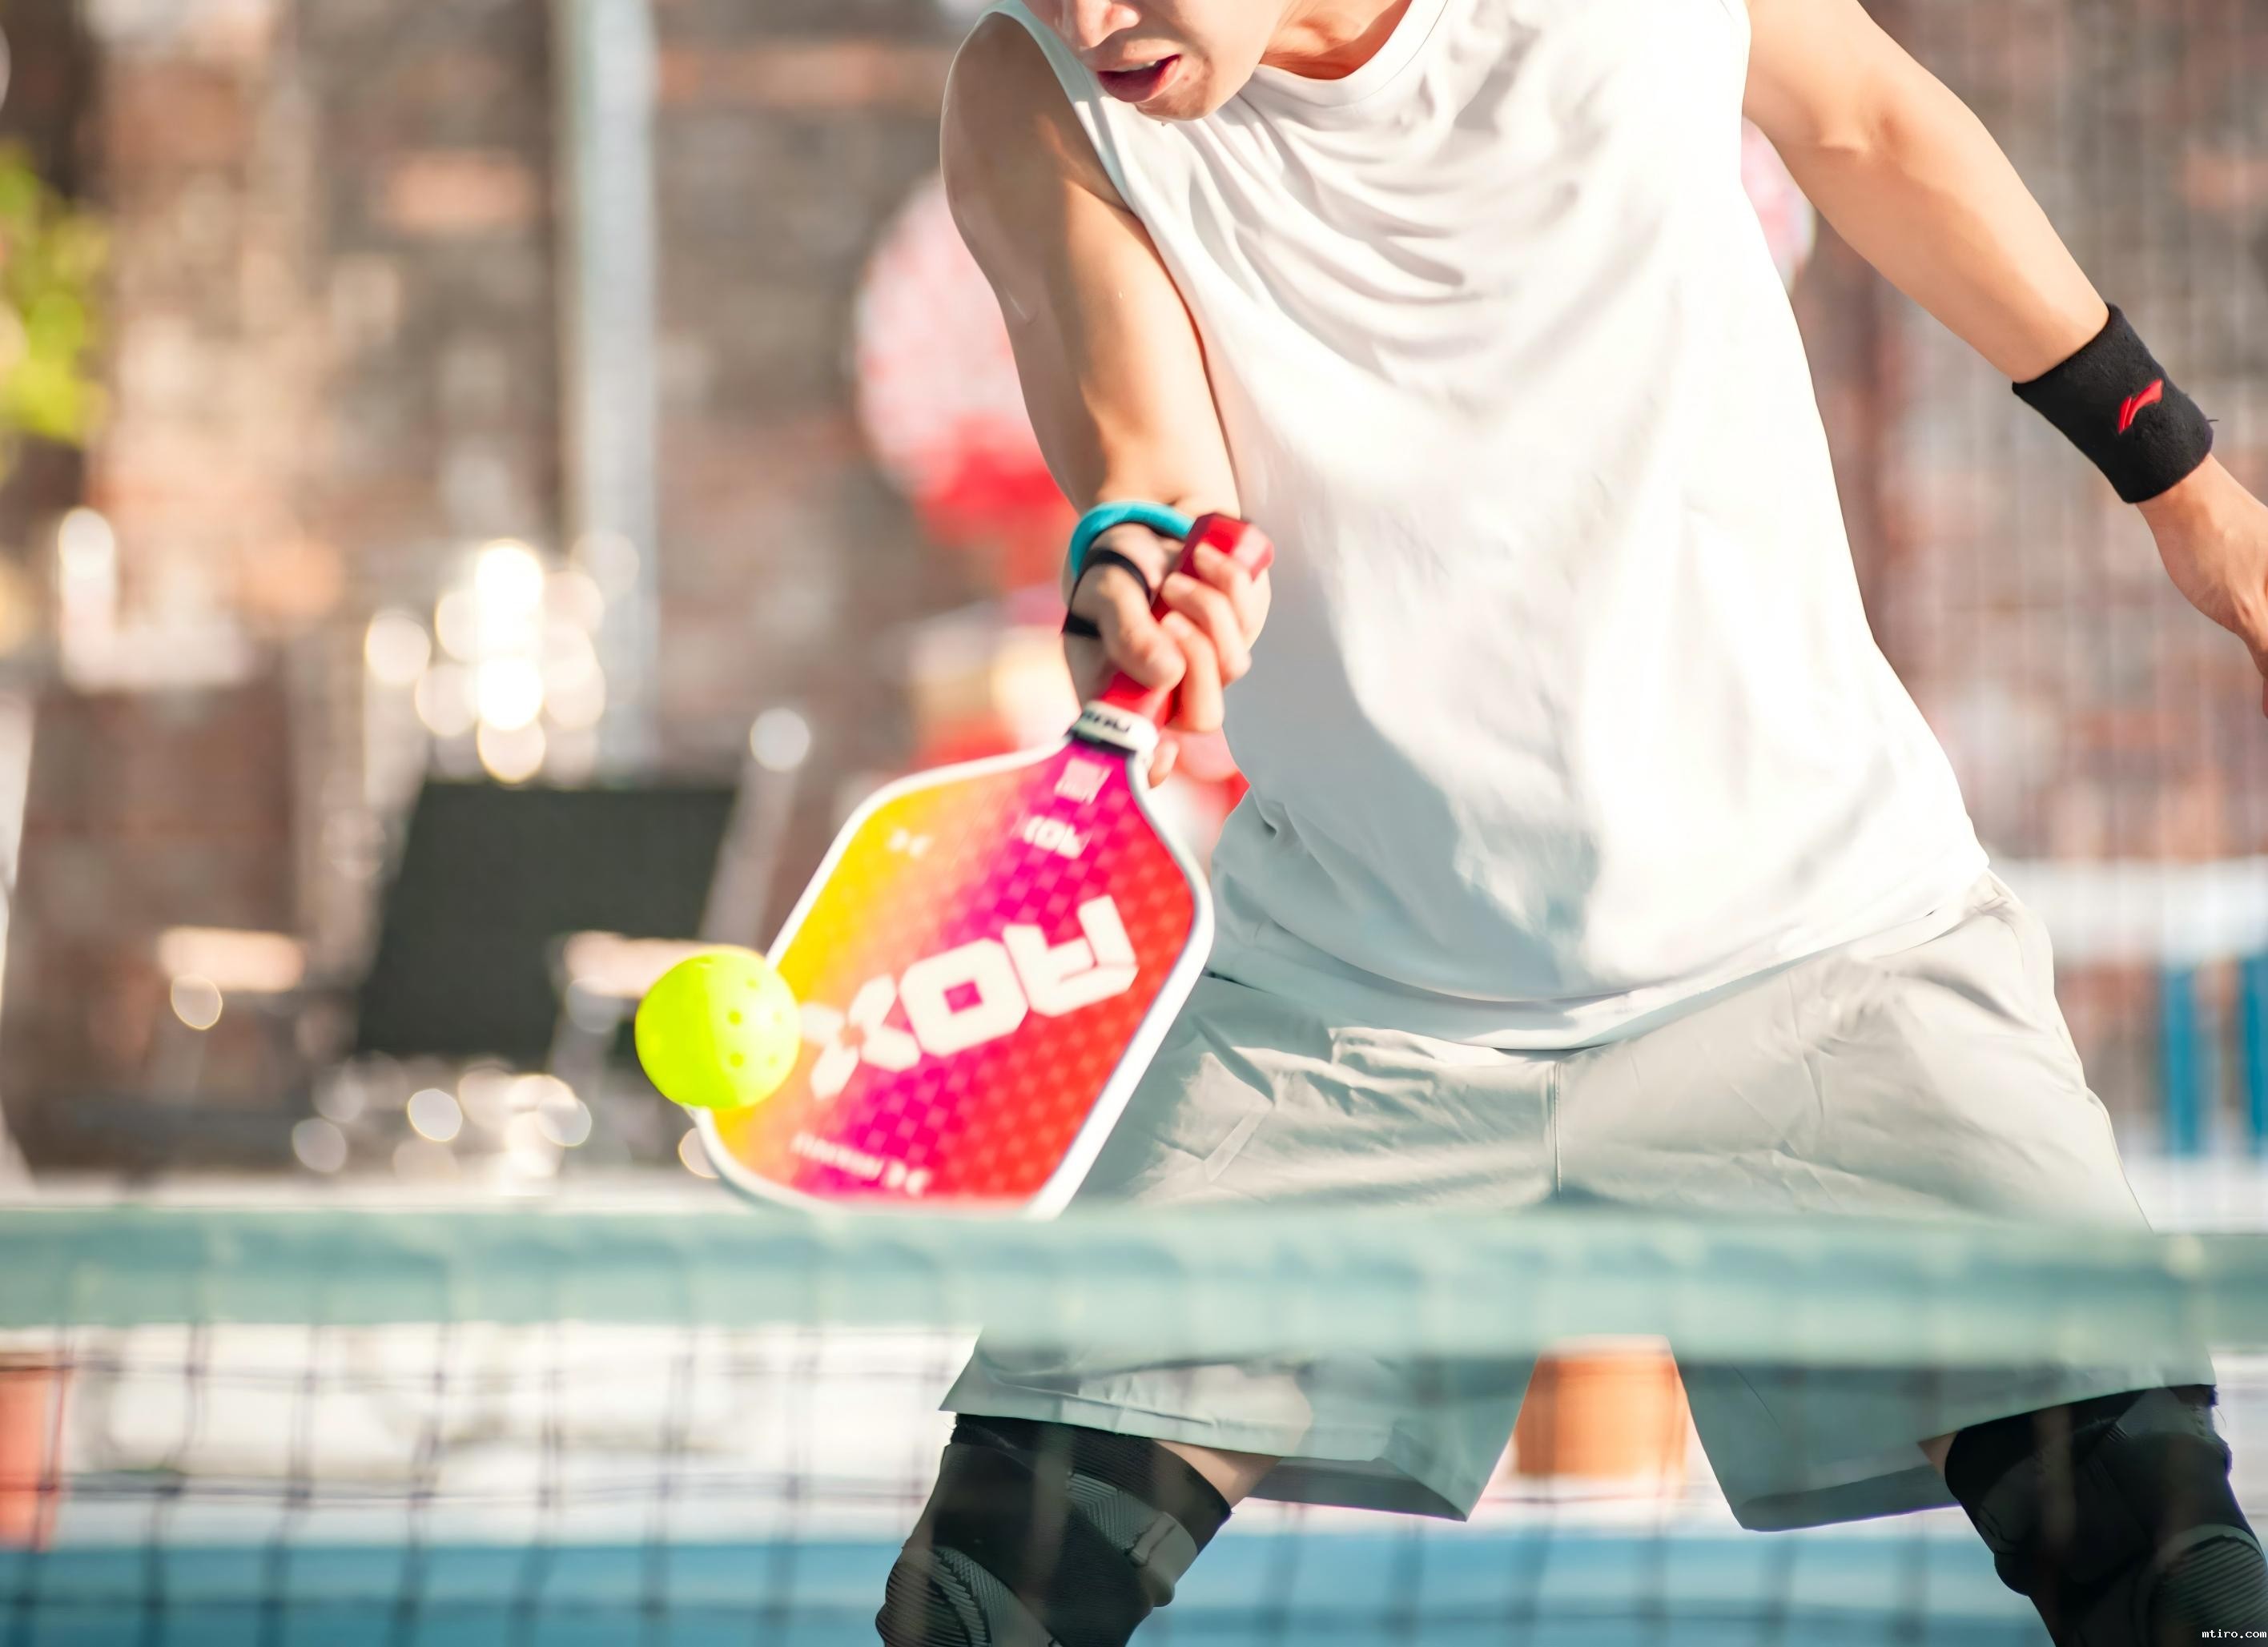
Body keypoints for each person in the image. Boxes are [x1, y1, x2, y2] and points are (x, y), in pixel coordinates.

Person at [879, 1, 2268, 1641]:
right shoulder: (1033, 89)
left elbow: (1874, 129)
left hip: (1833, 956)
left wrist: (2191, 492)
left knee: (2170, 1566)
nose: (1090, 15)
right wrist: (1142, 572)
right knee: (984, 1605)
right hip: (1350, 1008)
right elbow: (1147, 440)